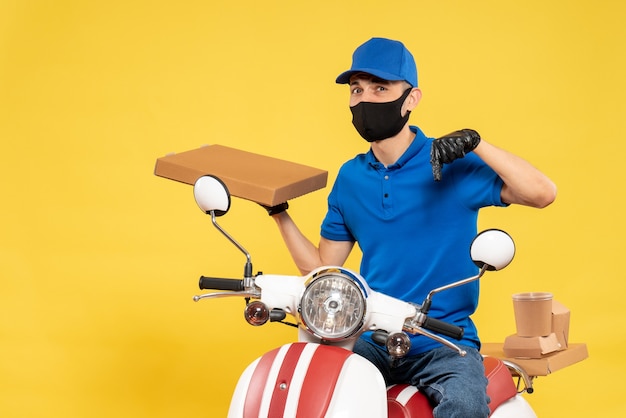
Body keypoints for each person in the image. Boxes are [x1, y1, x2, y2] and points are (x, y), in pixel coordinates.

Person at [263, 37, 557, 418]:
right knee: (312, 388)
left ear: (412, 99)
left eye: (380, 88)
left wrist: (477, 144)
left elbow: (542, 193)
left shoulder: (449, 160)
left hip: (443, 342)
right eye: (357, 90)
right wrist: (278, 213)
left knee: (465, 406)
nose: (365, 99)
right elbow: (321, 268)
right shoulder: (350, 179)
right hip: (371, 336)